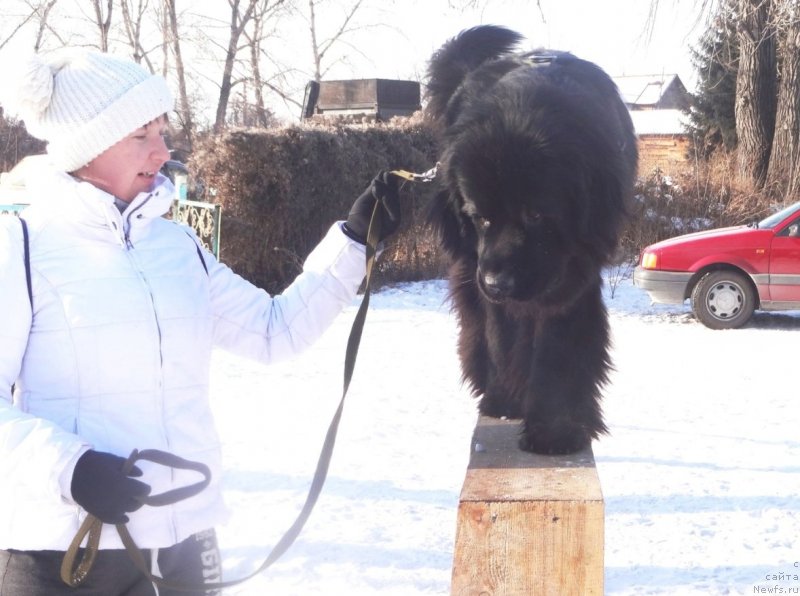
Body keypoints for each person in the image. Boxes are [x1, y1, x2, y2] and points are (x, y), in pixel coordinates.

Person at [0, 49, 400, 596]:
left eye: (162, 131)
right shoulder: (20, 249)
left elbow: (273, 332)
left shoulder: (177, 246)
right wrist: (72, 469)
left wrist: (353, 242)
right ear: (87, 146)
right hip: (63, 552)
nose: (163, 151)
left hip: (183, 543)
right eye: (141, 134)